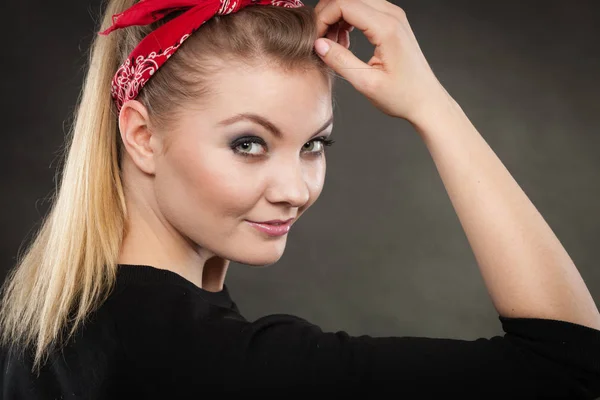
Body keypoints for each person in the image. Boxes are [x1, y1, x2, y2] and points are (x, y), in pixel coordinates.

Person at [1, 0, 599, 397]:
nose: (295, 192)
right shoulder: (217, 364)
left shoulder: (50, 321)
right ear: (142, 135)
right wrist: (433, 108)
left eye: (314, 144)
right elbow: (571, 365)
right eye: (248, 143)